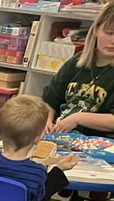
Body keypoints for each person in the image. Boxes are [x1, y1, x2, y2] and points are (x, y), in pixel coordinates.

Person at [43, 2, 114, 136]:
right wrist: (46, 122)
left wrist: (78, 118)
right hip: (59, 134)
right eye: (109, 33)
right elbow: (50, 100)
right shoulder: (77, 61)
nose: (113, 40)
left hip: (97, 142)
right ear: (95, 31)